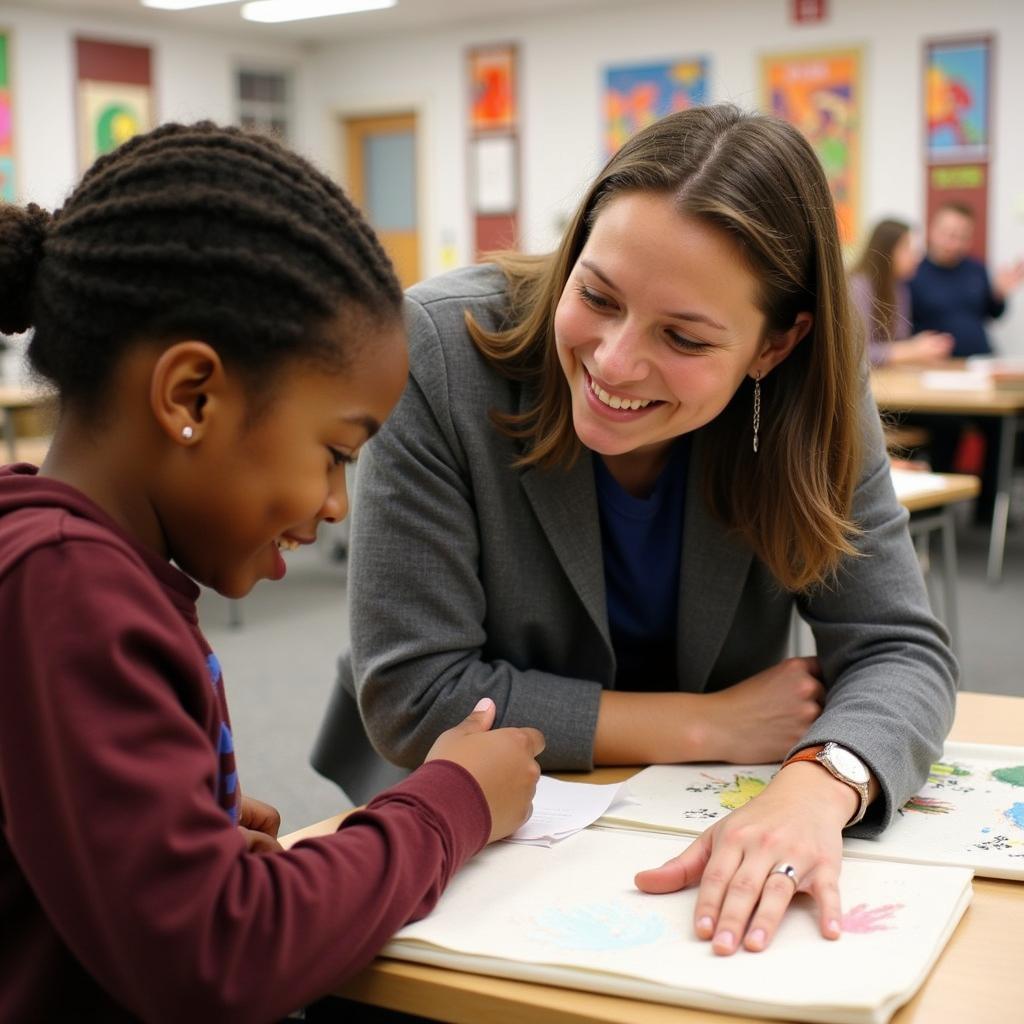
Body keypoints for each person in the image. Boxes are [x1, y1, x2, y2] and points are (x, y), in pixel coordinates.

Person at [313, 105, 957, 958]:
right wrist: (708, 726)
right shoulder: (438, 348)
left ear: (776, 346)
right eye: (597, 296)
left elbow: (898, 647)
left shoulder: (816, 397)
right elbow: (419, 695)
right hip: (467, 822)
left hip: (692, 816)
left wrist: (821, 781)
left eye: (684, 337)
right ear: (575, 248)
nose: (615, 362)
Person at [0, 121, 544, 1023]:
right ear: (191, 398)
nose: (336, 505)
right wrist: (450, 805)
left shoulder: (82, 571)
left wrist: (182, 819)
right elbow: (215, 956)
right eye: (334, 452)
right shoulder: (63, 590)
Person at [908, 201, 1024, 523]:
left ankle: (987, 512)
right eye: (948, 233)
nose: (953, 241)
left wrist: (999, 294)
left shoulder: (975, 269)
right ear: (932, 231)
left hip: (980, 369)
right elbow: (903, 328)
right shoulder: (913, 273)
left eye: (961, 235)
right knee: (948, 427)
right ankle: (939, 506)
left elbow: (991, 312)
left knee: (1000, 425)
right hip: (936, 376)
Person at [848, 217, 952, 367]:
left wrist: (918, 346)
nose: (916, 257)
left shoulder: (899, 286)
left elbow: (899, 341)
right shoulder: (858, 286)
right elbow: (855, 353)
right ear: (885, 251)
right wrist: (912, 350)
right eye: (907, 248)